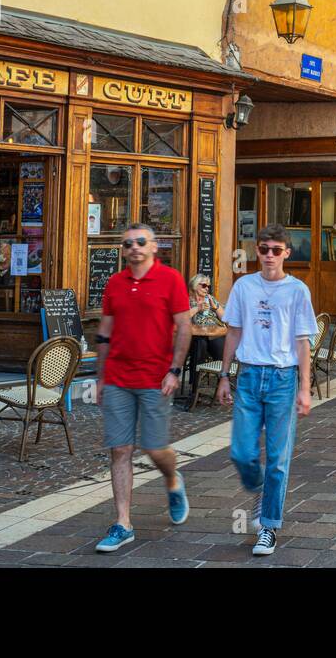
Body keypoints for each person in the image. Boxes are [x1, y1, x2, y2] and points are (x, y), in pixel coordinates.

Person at [217, 223, 316, 556]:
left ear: (287, 253)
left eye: (276, 250)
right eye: (263, 249)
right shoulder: (244, 286)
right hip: (248, 376)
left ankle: (269, 526)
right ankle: (259, 489)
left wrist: (305, 387)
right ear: (255, 251)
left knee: (277, 459)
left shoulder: (298, 290)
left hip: (282, 378)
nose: (269, 255)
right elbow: (233, 332)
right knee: (241, 452)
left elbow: (303, 342)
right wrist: (223, 375)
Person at [93, 223, 193, 553]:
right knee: (120, 449)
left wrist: (174, 370)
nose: (134, 247)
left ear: (153, 247)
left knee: (154, 448)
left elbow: (183, 328)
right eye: (128, 244)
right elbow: (105, 332)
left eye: (140, 242)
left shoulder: (171, 279)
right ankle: (123, 523)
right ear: (123, 250)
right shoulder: (115, 283)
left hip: (155, 377)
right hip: (119, 377)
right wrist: (101, 377)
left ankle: (172, 479)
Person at [188, 273, 226, 361]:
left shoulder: (210, 299)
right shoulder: (187, 301)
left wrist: (215, 307)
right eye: (204, 285)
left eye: (208, 286)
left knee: (218, 342)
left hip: (214, 333)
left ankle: (221, 371)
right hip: (197, 335)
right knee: (200, 343)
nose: (207, 288)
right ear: (195, 286)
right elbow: (183, 318)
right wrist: (198, 308)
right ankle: (197, 373)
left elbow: (225, 319)